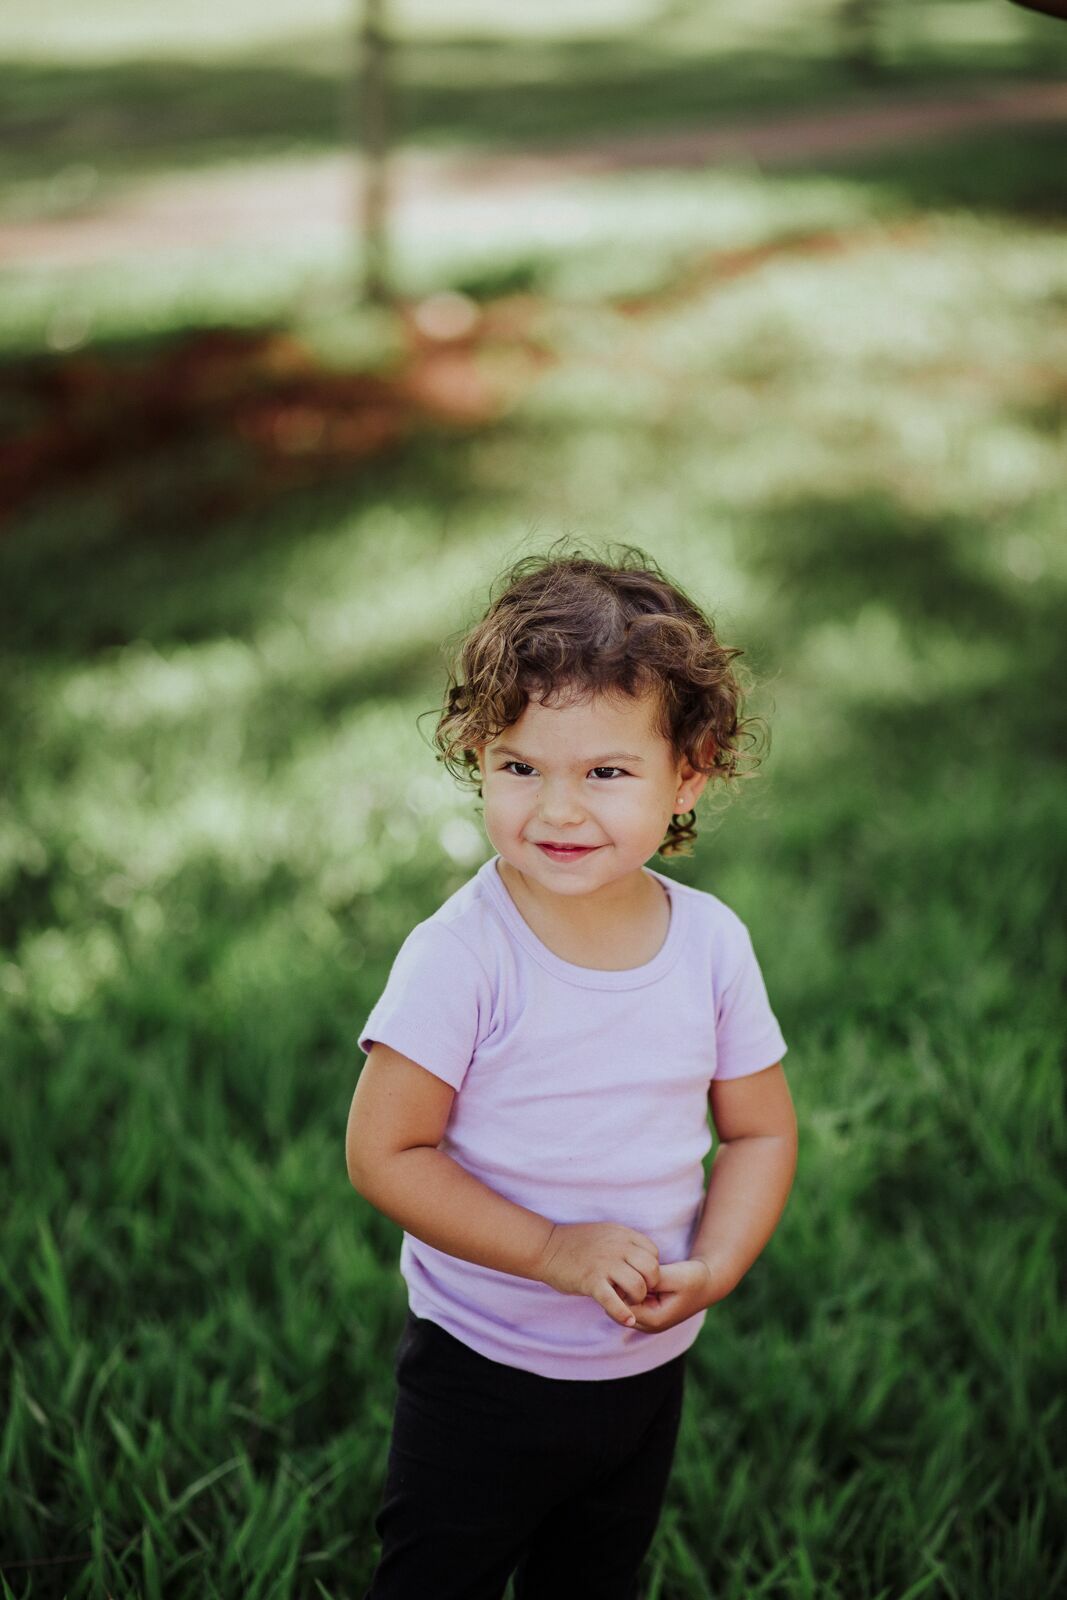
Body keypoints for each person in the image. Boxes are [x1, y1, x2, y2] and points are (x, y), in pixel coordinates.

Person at [345, 543, 798, 1600]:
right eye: (519, 767)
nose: (555, 809)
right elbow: (384, 1152)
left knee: (594, 1577)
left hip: (643, 1364)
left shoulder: (710, 945)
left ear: (690, 771)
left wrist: (715, 1265)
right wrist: (551, 1250)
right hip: (481, 1368)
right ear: (477, 755)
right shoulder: (462, 955)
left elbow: (760, 1129)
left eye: (604, 772)